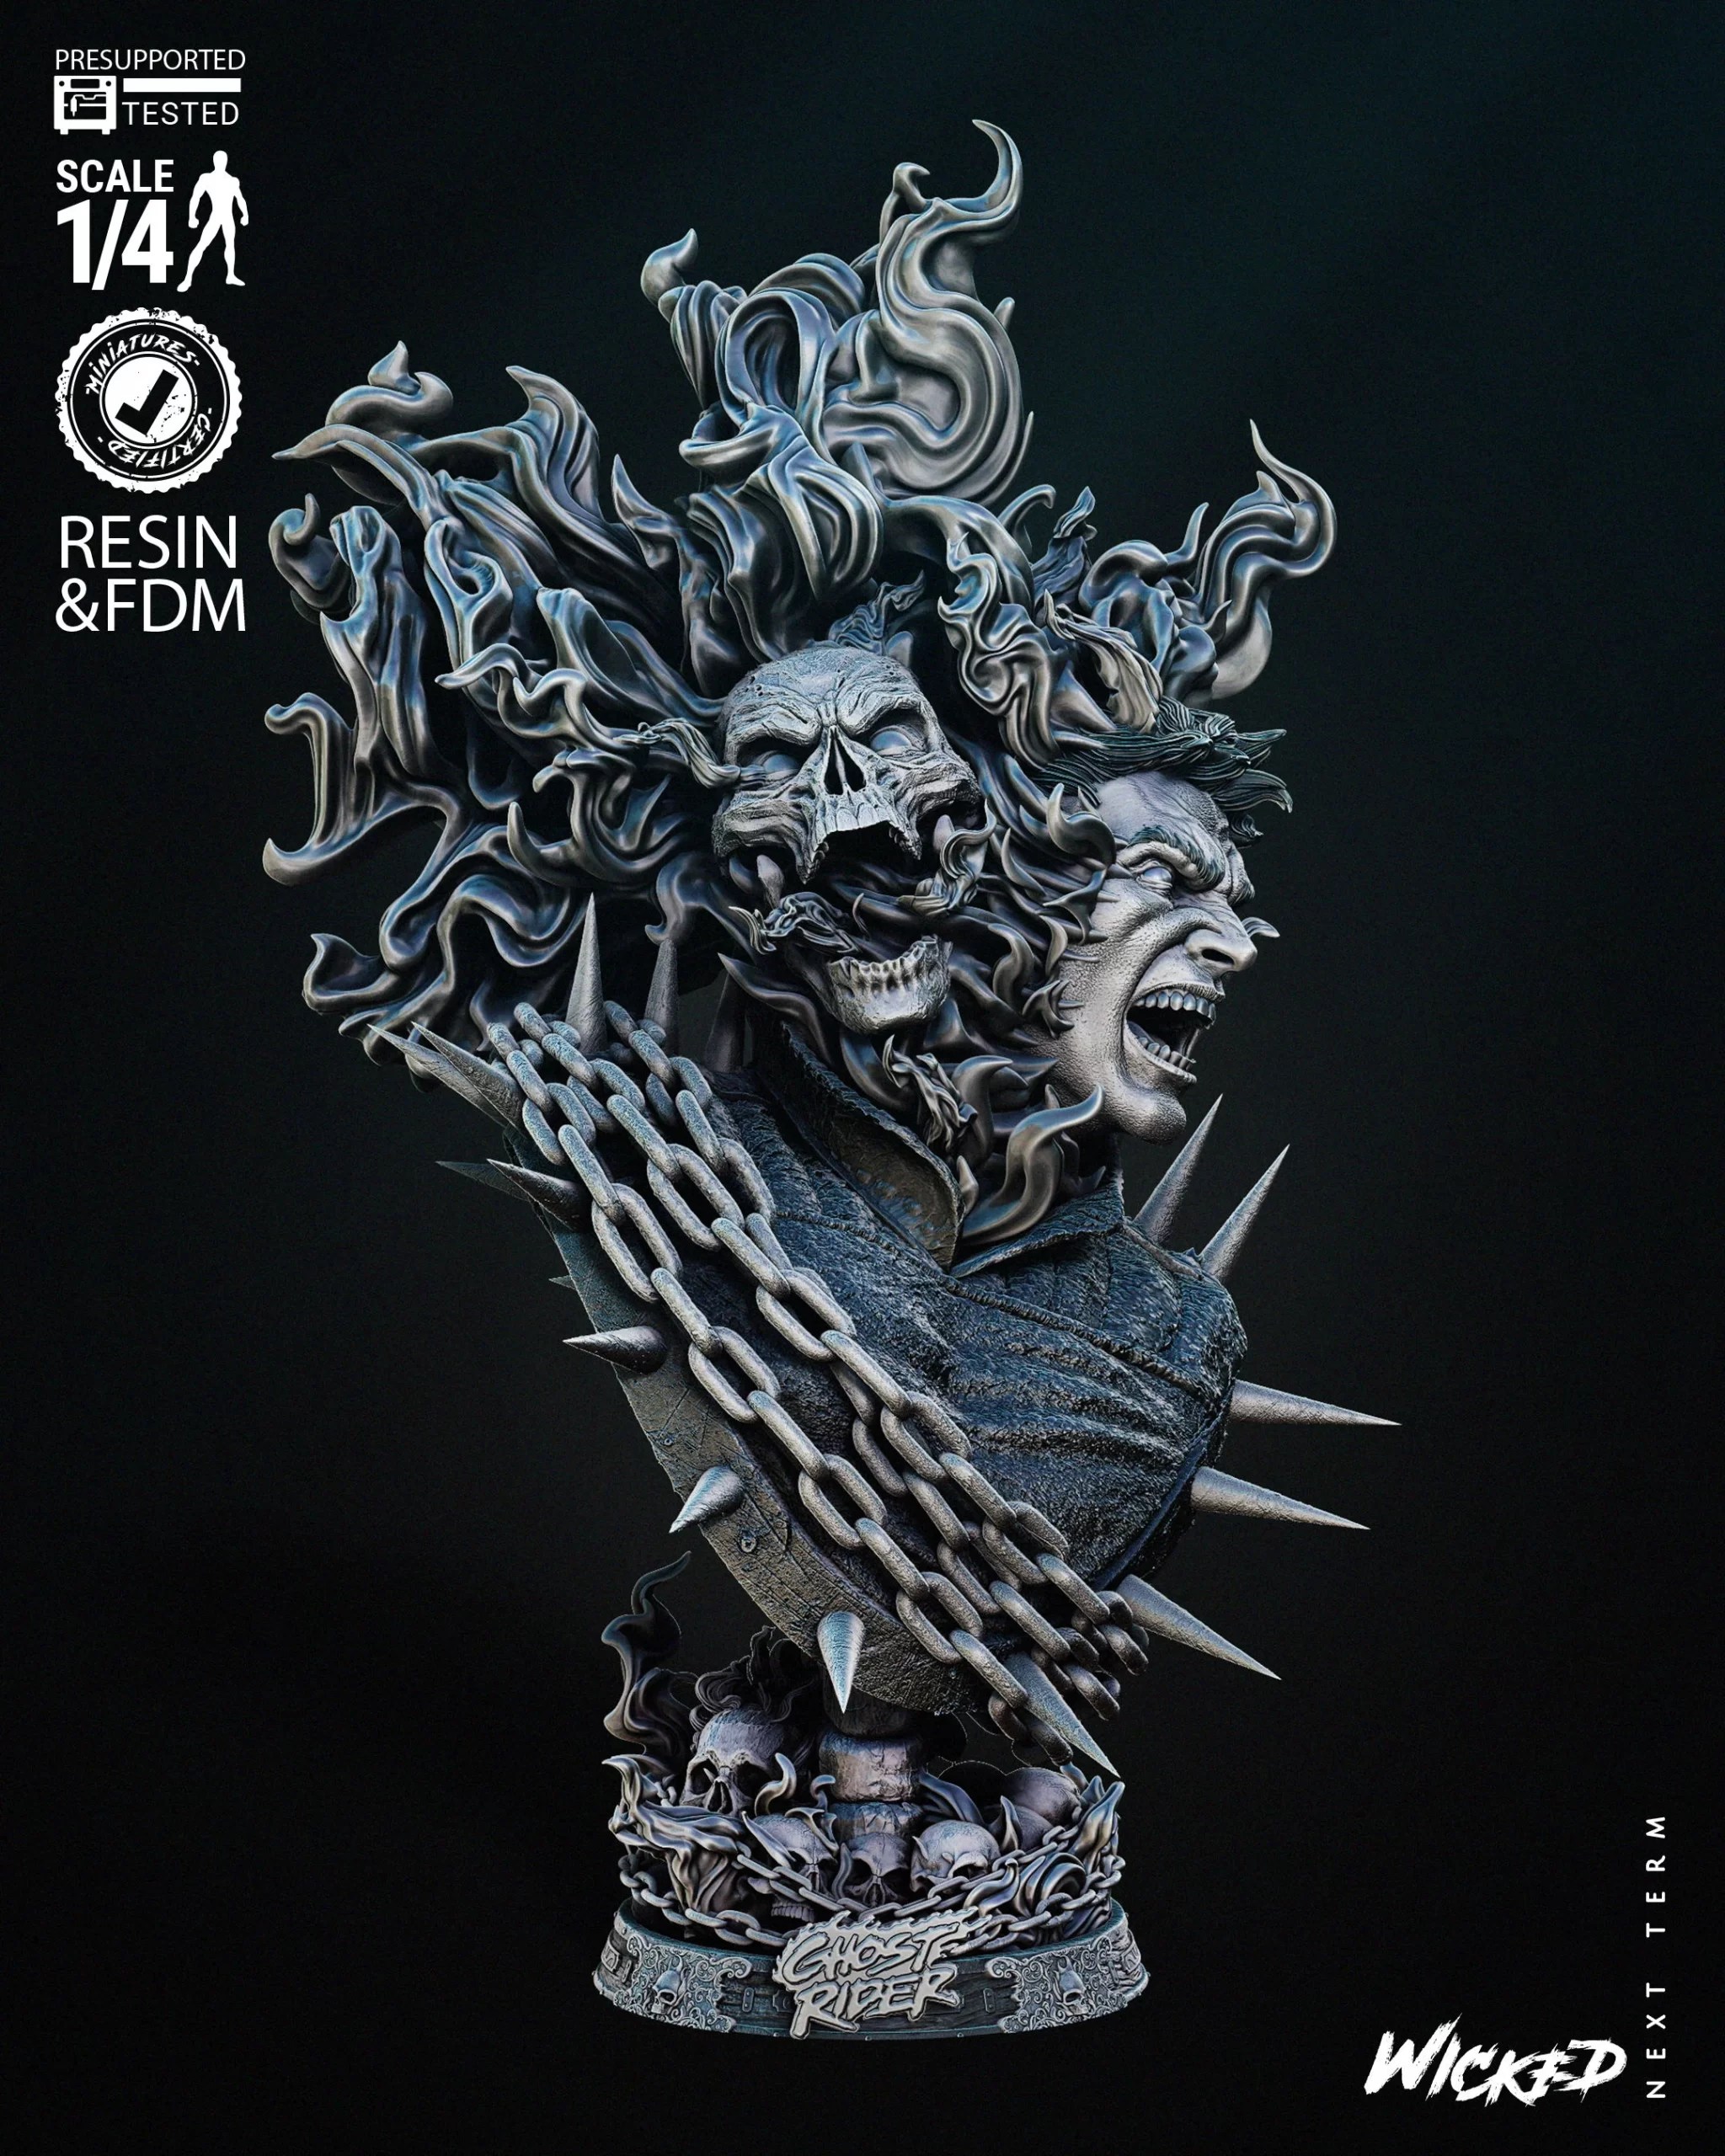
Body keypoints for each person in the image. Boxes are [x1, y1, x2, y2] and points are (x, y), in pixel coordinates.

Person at [176, 152, 247, 291]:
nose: (221, 162)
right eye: (218, 160)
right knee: (202, 245)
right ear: (214, 161)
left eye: (223, 160)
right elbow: (196, 197)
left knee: (230, 245)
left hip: (228, 218)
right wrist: (192, 216)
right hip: (215, 217)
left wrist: (245, 215)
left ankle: (231, 275)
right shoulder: (207, 178)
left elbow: (240, 198)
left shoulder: (232, 180)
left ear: (226, 161)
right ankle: (187, 279)